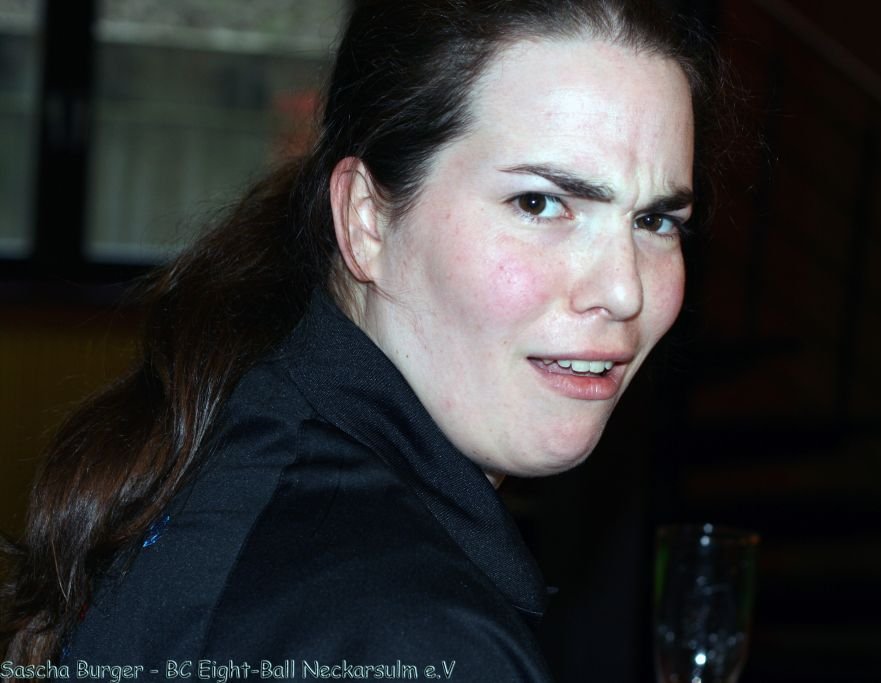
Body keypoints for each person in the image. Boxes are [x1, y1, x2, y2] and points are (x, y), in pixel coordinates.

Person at [1, 0, 722, 679]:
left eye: (655, 221)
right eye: (540, 203)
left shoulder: (248, 427)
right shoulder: (414, 636)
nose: (624, 290)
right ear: (367, 220)